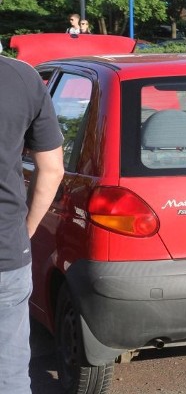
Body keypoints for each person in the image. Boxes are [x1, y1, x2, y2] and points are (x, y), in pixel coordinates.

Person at [0, 57, 64, 392]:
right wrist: (25, 230)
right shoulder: (21, 78)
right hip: (6, 252)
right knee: (9, 376)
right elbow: (52, 170)